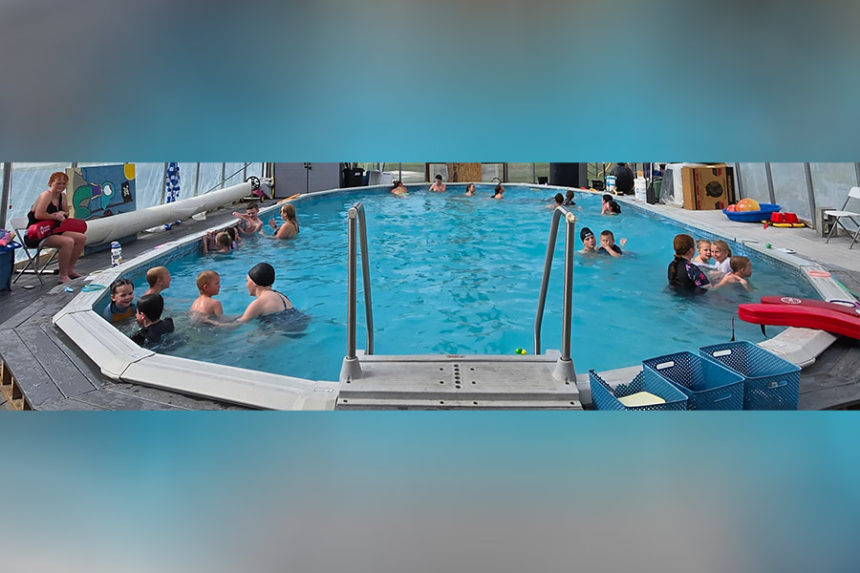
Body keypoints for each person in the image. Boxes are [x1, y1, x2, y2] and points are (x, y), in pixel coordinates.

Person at [25, 171, 87, 283]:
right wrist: (55, 216)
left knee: (81, 238)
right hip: (38, 234)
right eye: (58, 183)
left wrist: (62, 213)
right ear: (51, 183)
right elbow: (38, 214)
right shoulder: (46, 195)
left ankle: (70, 270)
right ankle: (63, 275)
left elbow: (67, 213)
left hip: (53, 230)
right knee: (68, 242)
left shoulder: (62, 196)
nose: (61, 186)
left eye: (64, 184)